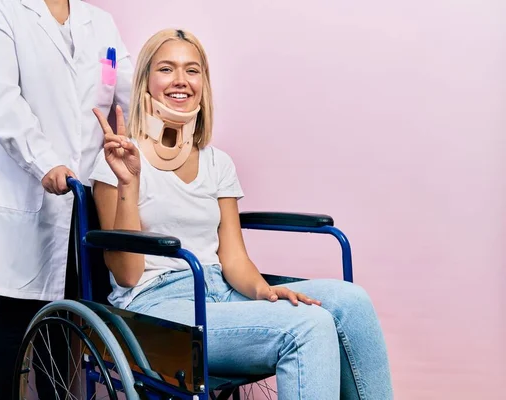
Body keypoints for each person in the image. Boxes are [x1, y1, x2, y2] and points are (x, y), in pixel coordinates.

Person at [89, 28, 394, 399]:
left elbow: (233, 257)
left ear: (204, 81)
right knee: (308, 327)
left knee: (352, 301)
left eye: (193, 70)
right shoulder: (119, 159)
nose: (181, 81)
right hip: (156, 306)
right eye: (167, 69)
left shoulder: (217, 162)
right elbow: (128, 274)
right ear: (145, 83)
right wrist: (129, 183)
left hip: (222, 290)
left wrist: (265, 293)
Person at [0, 0, 133, 398]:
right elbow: (4, 102)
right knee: (16, 314)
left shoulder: (101, 24)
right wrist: (45, 162)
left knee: (68, 316)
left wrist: (167, 122)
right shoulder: (2, 10)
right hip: (25, 183)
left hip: (85, 197)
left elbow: (123, 89)